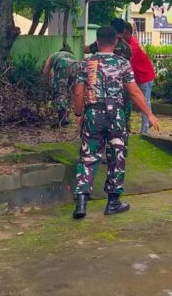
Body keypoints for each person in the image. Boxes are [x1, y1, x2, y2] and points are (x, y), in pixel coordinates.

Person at [72, 25, 160, 220]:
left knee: (88, 156)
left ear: (97, 42)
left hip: (93, 114)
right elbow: (135, 92)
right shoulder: (122, 64)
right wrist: (150, 115)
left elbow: (78, 92)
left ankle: (81, 203)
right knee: (116, 156)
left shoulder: (85, 64)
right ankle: (113, 203)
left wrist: (79, 114)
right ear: (115, 42)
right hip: (116, 116)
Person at [124, 24, 156, 134]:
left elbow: (127, 61)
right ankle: (148, 123)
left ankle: (145, 130)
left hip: (145, 76)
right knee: (144, 101)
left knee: (144, 102)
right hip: (140, 76)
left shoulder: (133, 44)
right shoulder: (128, 43)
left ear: (127, 32)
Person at [43, 46, 80, 127]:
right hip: (76, 65)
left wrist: (47, 84)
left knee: (60, 91)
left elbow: (46, 71)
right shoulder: (74, 57)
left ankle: (63, 119)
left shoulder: (55, 54)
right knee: (69, 92)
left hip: (62, 65)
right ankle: (66, 115)